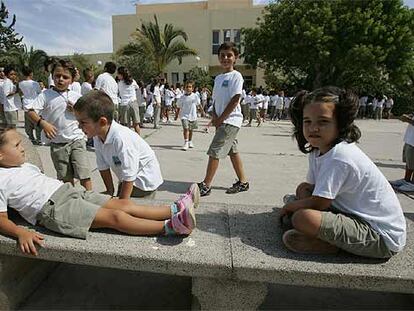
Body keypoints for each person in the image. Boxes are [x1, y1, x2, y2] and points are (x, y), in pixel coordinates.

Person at [0, 126, 198, 256]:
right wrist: (19, 232)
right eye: (17, 145)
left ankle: (175, 208)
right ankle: (171, 227)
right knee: (115, 217)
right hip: (54, 209)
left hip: (67, 191)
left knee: (122, 203)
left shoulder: (22, 166)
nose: (23, 149)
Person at [280, 86, 406, 258]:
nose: (313, 128)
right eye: (307, 121)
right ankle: (319, 232)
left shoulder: (340, 156)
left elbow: (319, 203)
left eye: (323, 121)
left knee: (301, 218)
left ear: (340, 124)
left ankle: (330, 246)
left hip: (380, 237)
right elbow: (313, 189)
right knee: (303, 189)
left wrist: (290, 207)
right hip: (351, 213)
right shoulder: (318, 149)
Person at [73, 90, 163, 200]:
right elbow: (103, 167)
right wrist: (110, 192)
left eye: (83, 123)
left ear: (102, 122)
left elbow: (130, 174)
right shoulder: (97, 136)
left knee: (133, 213)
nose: (79, 127)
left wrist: (122, 203)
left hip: (144, 183)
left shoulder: (121, 139)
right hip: (127, 180)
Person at [28, 59, 92, 191]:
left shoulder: (76, 96)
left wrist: (75, 110)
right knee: (65, 177)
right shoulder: (45, 95)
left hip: (77, 139)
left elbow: (86, 115)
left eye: (65, 77)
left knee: (84, 173)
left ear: (72, 80)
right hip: (57, 143)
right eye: (57, 76)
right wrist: (43, 123)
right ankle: (71, 199)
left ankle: (89, 197)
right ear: (52, 76)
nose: (60, 79)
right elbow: (31, 111)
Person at [197, 42, 249, 196]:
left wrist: (221, 119)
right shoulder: (218, 78)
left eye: (229, 55)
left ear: (235, 58)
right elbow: (215, 101)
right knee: (233, 151)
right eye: (222, 55)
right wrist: (214, 117)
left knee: (214, 152)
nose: (225, 58)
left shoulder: (236, 76)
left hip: (230, 121)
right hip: (221, 121)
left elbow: (235, 99)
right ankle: (243, 182)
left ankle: (206, 185)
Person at [389, 113, 414, 192]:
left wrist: (409, 120)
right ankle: (406, 180)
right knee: (409, 162)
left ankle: (412, 184)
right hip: (410, 138)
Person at [18, 66, 42, 143]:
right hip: (35, 105)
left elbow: (21, 92)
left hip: (26, 104)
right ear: (31, 73)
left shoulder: (21, 83)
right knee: (37, 123)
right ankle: (39, 139)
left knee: (28, 125)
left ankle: (31, 138)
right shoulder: (35, 83)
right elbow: (39, 92)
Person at [176, 80, 200, 151]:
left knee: (191, 129)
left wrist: (202, 112)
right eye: (187, 87)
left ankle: (190, 141)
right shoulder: (182, 98)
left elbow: (199, 104)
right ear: (184, 88)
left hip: (192, 115)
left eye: (190, 87)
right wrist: (176, 115)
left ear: (192, 88)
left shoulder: (195, 96)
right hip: (184, 116)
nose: (188, 88)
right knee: (186, 128)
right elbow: (178, 107)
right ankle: (186, 142)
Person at [117, 66, 140, 135]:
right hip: (133, 103)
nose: (117, 75)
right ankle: (139, 140)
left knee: (126, 125)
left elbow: (118, 92)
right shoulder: (133, 81)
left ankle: (128, 141)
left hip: (124, 104)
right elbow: (137, 88)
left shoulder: (119, 83)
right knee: (136, 124)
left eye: (118, 74)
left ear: (122, 75)